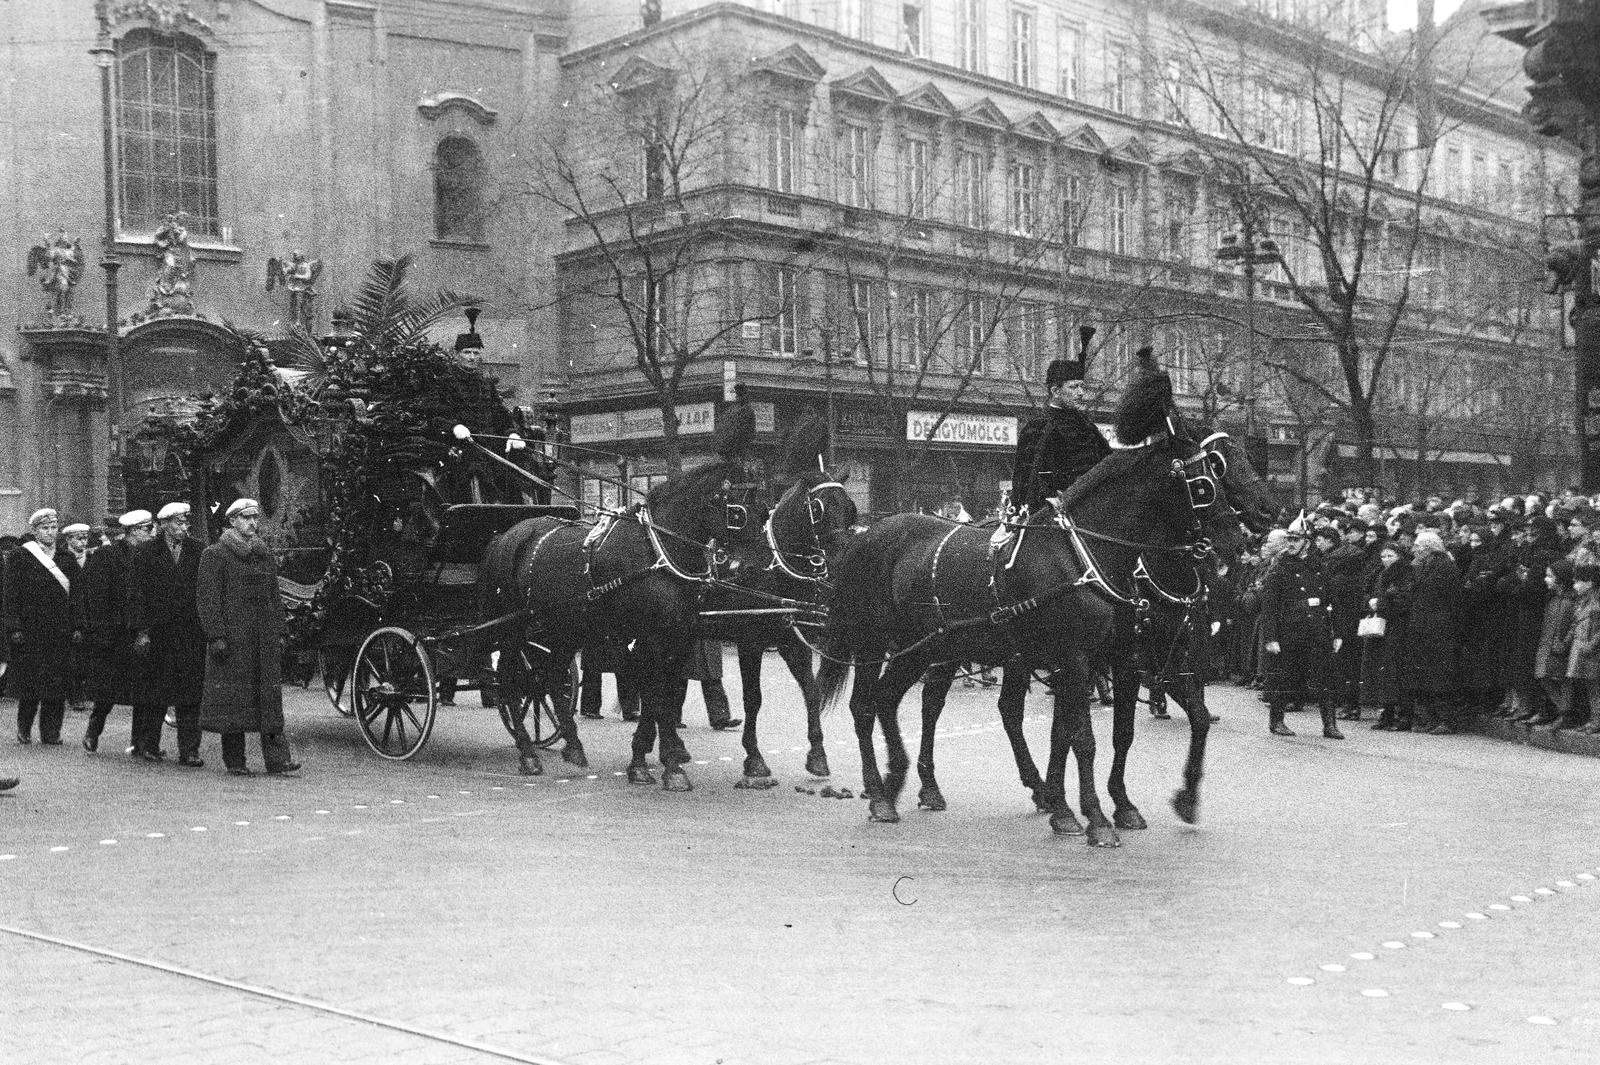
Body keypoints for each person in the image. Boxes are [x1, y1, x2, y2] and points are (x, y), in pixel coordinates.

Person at [197, 499, 299, 776]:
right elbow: (208, 600)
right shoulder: (215, 554)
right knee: (233, 700)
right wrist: (216, 635)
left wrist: (279, 630)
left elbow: (273, 597)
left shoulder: (263, 554)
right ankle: (235, 761)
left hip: (262, 639)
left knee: (269, 699)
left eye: (255, 517)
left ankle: (278, 760)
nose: (252, 523)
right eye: (245, 518)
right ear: (232, 521)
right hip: (233, 641)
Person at [128, 501, 208, 765]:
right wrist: (142, 631)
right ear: (163, 525)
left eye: (186, 522)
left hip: (190, 632)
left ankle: (190, 750)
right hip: (158, 633)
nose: (183, 527)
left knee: (190, 694)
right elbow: (137, 595)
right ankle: (150, 745)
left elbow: (204, 592)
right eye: (177, 522)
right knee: (156, 692)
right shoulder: (147, 552)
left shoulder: (199, 550)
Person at [76, 510, 155, 753]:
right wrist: (100, 631)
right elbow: (96, 596)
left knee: (143, 690)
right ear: (132, 531)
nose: (152, 533)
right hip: (113, 633)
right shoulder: (106, 556)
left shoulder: (151, 557)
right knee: (107, 689)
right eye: (146, 528)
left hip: (140, 631)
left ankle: (139, 741)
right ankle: (93, 729)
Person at [1259, 515, 1341, 739]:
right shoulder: (1280, 568)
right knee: (1284, 677)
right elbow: (1269, 606)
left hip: (1317, 627)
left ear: (1307, 541)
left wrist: (1337, 632)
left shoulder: (1320, 566)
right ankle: (1277, 721)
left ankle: (1330, 724)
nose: (1291, 543)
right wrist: (1271, 637)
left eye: (1296, 539)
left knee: (1325, 678)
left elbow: (1332, 601)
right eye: (1289, 539)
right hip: (1290, 629)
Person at [3, 508, 74, 745]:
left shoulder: (66, 558)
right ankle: (24, 729)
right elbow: (11, 593)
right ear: (34, 531)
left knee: (56, 685)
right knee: (30, 684)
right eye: (45, 528)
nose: (50, 532)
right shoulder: (20, 557)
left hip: (59, 630)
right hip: (31, 630)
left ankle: (51, 732)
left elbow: (77, 594)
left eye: (54, 528)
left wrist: (77, 625)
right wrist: (14, 626)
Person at [1405, 529, 1463, 734]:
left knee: (1439, 673)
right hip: (1424, 624)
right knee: (1426, 672)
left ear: (1428, 548)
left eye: (1418, 547)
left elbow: (1450, 599)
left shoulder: (1444, 566)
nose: (1414, 550)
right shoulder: (1422, 566)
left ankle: (1445, 719)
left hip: (1439, 626)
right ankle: (1430, 717)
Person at [1363, 541, 1414, 731]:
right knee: (1384, 671)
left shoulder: (1405, 574)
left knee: (1396, 671)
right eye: (1383, 556)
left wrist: (1380, 603)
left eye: (1390, 556)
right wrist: (1372, 602)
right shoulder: (1381, 574)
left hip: (1398, 626)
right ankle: (1387, 712)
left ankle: (1403, 715)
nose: (1386, 560)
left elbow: (1403, 600)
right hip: (1384, 625)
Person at [1528, 559, 1578, 729]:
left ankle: (1566, 714)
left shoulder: (1571, 600)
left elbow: (1573, 624)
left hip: (1561, 646)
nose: (1546, 579)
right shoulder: (1551, 599)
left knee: (1562, 679)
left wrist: (1565, 642)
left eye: (1550, 576)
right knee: (1543, 676)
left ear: (1561, 579)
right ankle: (1563, 710)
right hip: (1547, 645)